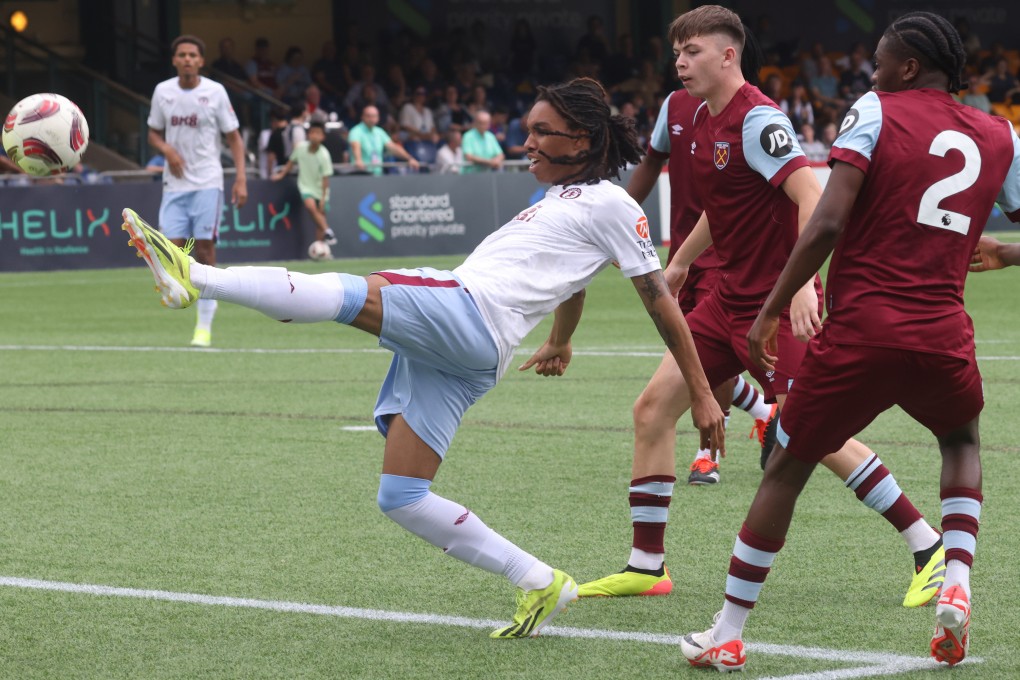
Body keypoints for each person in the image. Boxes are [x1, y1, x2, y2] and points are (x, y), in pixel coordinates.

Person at [120, 76, 727, 640]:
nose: (527, 143)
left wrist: (700, 391)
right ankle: (541, 582)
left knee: (348, 293)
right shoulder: (567, 197)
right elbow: (575, 281)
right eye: (530, 130)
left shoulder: (614, 204)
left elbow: (660, 301)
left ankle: (195, 273)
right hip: (471, 351)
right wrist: (563, 338)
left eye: (542, 132)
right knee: (402, 495)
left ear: (584, 140)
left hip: (469, 311)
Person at [681, 12, 1020, 671]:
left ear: (910, 67)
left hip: (863, 330)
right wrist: (1006, 252)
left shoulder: (877, 109)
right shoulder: (1000, 133)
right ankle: (957, 579)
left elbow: (828, 218)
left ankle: (726, 633)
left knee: (788, 461)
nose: (872, 72)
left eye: (881, 62)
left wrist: (772, 308)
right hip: (944, 333)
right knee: (960, 442)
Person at [580, 6, 943, 607]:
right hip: (725, 304)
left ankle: (927, 544)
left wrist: (803, 287)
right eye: (677, 51)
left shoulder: (759, 120)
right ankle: (647, 565)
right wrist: (682, 262)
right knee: (651, 410)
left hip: (777, 308)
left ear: (729, 55)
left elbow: (811, 194)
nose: (680, 62)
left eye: (693, 51)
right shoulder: (695, 116)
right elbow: (724, 213)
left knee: (813, 435)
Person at [147, 34, 248, 348]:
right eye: (182, 54)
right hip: (174, 184)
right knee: (172, 252)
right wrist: (167, 150)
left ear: (201, 61)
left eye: (193, 55)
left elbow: (233, 138)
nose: (188, 59)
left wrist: (241, 178)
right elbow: (153, 131)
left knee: (205, 252)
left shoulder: (215, 92)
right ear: (174, 60)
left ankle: (203, 324)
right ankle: (191, 297)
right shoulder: (162, 91)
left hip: (207, 181)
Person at [271, 119, 336, 247]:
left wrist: (323, 198)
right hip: (305, 186)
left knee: (319, 221)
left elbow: (325, 179)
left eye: (318, 133)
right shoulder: (300, 148)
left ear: (323, 137)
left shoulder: (324, 155)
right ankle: (328, 230)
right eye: (312, 132)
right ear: (308, 134)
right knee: (310, 206)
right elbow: (291, 162)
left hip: (320, 190)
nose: (314, 136)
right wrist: (281, 175)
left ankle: (321, 249)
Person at [348, 105, 420, 175]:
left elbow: (393, 147)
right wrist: (358, 160)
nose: (371, 119)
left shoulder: (379, 131)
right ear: (362, 117)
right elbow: (355, 146)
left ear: (378, 118)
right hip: (361, 174)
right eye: (368, 116)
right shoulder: (356, 131)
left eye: (374, 116)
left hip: (378, 174)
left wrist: (409, 158)